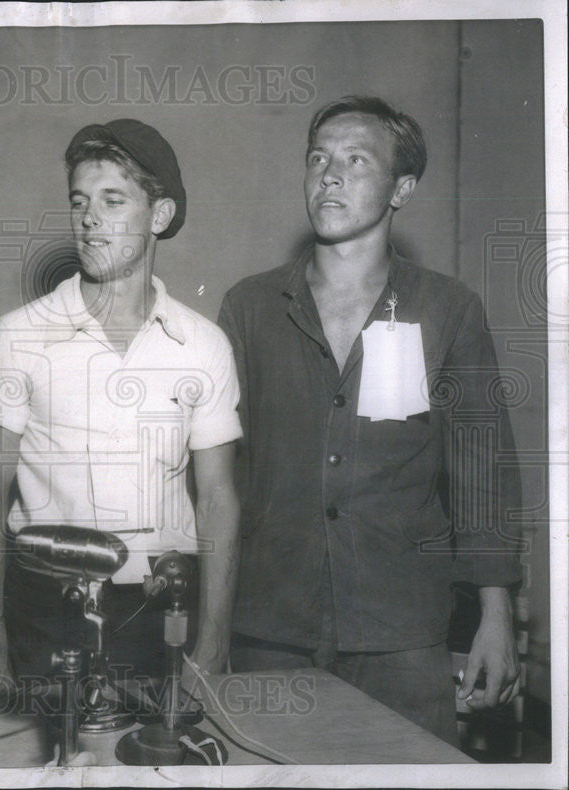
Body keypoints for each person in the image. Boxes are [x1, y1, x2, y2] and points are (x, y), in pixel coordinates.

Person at [217, 95, 522, 745]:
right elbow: (221, 478)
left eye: (356, 160)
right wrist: (210, 630)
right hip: (269, 629)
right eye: (318, 158)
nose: (330, 174)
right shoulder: (248, 308)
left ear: (402, 188)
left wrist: (495, 614)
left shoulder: (448, 309)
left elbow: (482, 470)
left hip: (402, 638)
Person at [0, 119, 241, 689]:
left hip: (160, 612)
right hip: (45, 614)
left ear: (159, 217)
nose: (89, 218)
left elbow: (217, 499)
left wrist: (213, 643)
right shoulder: (20, 335)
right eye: (80, 201)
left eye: (113, 201)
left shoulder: (203, 345)